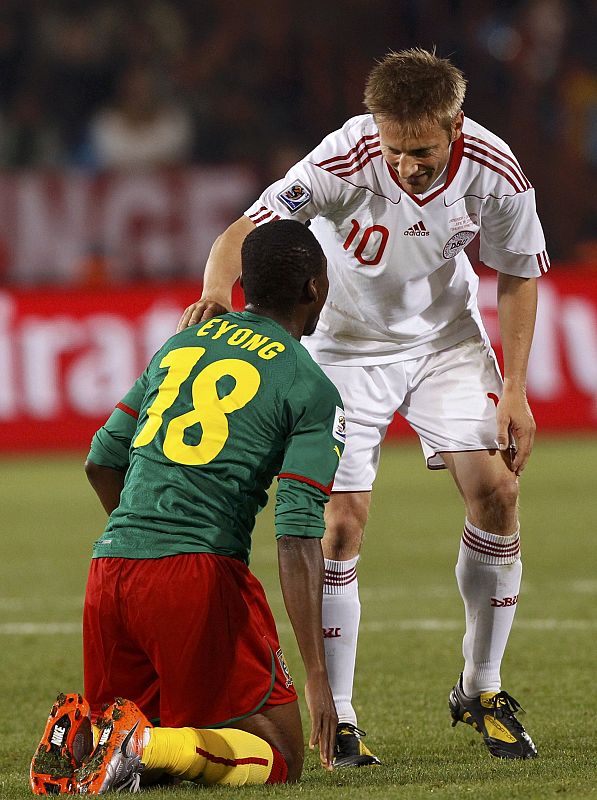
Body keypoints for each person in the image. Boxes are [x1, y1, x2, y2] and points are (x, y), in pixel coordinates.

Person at [177, 48, 548, 763]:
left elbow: (516, 275)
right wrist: (219, 292)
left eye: (423, 150)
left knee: (497, 493)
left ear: (454, 125)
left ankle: (481, 686)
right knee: (340, 524)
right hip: (341, 351)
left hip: (444, 342)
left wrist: (516, 389)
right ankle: (340, 714)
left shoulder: (495, 169)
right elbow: (239, 233)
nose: (408, 164)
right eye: (396, 149)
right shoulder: (342, 158)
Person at [30, 220, 344, 795]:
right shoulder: (309, 385)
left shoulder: (181, 343)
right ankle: (142, 743)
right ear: (315, 289)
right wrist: (320, 678)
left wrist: (147, 544)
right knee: (279, 753)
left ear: (243, 285)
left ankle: (103, 741)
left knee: (158, 758)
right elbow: (298, 533)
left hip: (111, 570)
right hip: (197, 575)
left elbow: (100, 460)